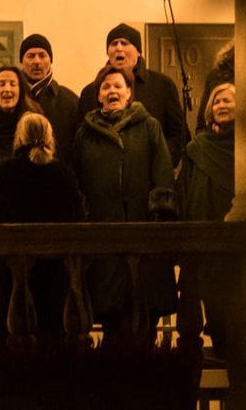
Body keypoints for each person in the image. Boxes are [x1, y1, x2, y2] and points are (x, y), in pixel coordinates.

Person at [70, 68, 177, 341]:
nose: (112, 91)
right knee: (110, 317)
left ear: (129, 93)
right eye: (105, 87)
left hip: (144, 237)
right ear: (98, 96)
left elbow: (162, 175)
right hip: (102, 240)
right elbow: (77, 182)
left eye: (118, 86)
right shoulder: (85, 134)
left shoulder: (149, 127)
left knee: (144, 316)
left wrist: (158, 220)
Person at [0, 113, 86, 338]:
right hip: (53, 273)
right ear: (49, 137)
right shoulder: (61, 174)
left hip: (9, 270)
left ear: (19, 138)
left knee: (11, 335)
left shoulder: (2, 171)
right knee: (51, 335)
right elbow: (79, 215)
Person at [175, 79, 237, 354]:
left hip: (237, 250)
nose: (221, 105)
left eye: (228, 100)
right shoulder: (197, 148)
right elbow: (184, 193)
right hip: (204, 246)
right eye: (217, 101)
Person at [76, 23, 189, 158]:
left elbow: (180, 135)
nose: (118, 48)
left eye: (125, 43)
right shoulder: (91, 91)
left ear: (138, 51)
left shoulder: (163, 85)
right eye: (113, 44)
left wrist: (160, 159)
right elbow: (81, 139)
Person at [18, 33, 80, 153]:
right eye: (30, 56)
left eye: (42, 55)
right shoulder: (13, 99)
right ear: (21, 61)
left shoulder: (69, 100)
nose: (36, 61)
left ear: (50, 60)